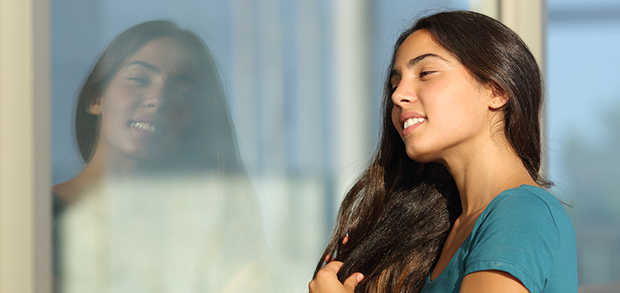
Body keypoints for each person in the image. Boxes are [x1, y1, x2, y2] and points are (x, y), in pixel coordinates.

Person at [309, 10, 577, 293]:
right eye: (394, 83)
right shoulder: (449, 229)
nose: (398, 96)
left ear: (497, 90)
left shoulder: (522, 213)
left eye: (426, 73)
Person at [52, 20, 271, 293]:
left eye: (183, 91)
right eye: (139, 79)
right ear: (96, 98)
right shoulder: (38, 218)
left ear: (194, 123)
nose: (158, 98)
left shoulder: (207, 236)